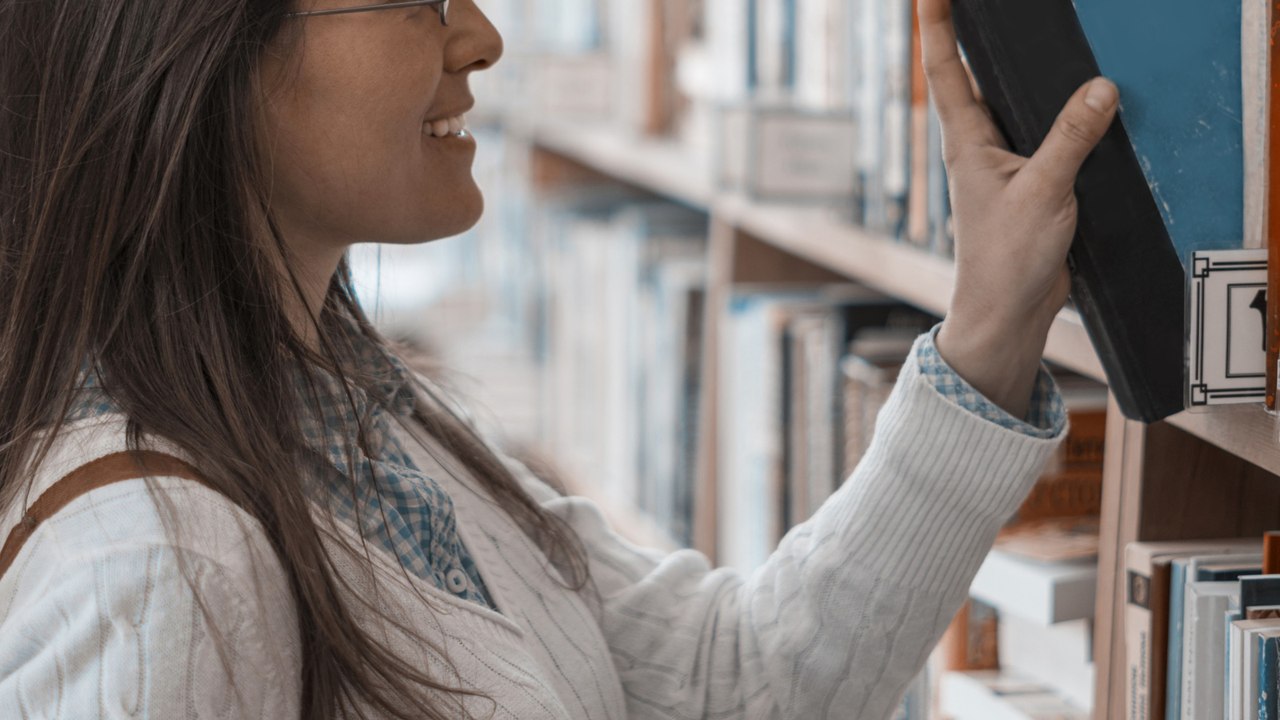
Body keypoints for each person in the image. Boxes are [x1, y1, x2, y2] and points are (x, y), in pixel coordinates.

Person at [0, 0, 1120, 717]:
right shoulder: (155, 565)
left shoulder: (356, 417)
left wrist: (988, 330)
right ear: (195, 49)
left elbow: (734, 684)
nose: (479, 36)